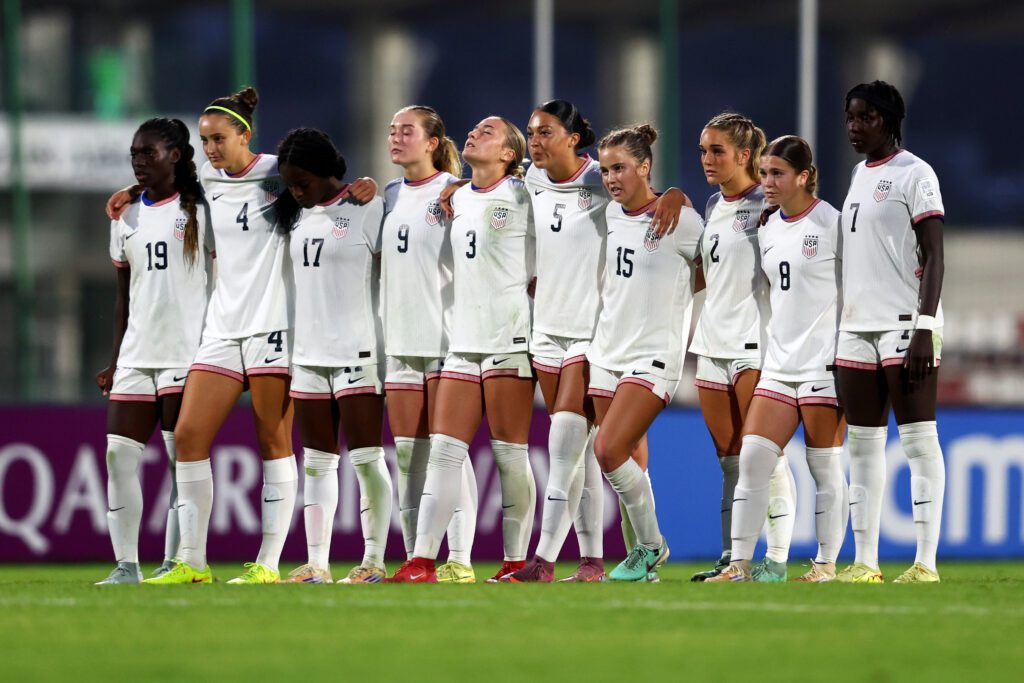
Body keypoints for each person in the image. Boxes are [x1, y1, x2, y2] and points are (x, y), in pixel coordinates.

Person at [103, 87, 375, 585]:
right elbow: (165, 180)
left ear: (244, 136)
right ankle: (193, 562)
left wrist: (366, 184)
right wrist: (127, 189)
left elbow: (324, 180)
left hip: (274, 324)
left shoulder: (278, 171)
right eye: (204, 140)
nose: (210, 149)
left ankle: (267, 564)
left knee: (272, 437)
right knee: (187, 437)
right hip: (222, 327)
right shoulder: (205, 178)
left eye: (219, 139)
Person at [504, 100, 689, 583]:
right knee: (586, 453)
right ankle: (593, 561)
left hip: (594, 334)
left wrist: (675, 192)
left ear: (571, 137)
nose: (535, 141)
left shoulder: (600, 183)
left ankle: (545, 560)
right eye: (530, 132)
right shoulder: (531, 182)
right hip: (545, 328)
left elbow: (666, 222)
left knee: (572, 441)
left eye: (545, 132)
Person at [387, 116, 536, 583]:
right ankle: (421, 561)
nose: (474, 133)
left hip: (509, 339)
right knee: (445, 453)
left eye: (488, 132)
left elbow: (578, 183)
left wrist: (668, 194)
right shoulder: (457, 195)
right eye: (474, 129)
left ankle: (515, 560)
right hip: (463, 340)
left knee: (509, 455)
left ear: (510, 154)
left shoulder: (527, 193)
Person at [707, 135, 848, 583]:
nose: (766, 182)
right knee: (752, 460)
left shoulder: (833, 225)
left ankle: (825, 564)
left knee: (823, 466)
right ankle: (740, 566)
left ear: (804, 177)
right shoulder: (766, 228)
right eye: (764, 173)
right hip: (780, 364)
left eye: (777, 174)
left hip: (824, 365)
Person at [271, 128, 394, 584]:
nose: (296, 190)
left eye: (303, 181)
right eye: (290, 184)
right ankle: (317, 563)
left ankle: (374, 561)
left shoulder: (369, 209)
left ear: (326, 171)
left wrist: (370, 185)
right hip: (307, 355)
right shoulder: (293, 214)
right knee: (317, 463)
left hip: (358, 349)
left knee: (365, 458)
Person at [835, 81, 946, 584]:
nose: (855, 127)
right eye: (850, 117)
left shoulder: (916, 173)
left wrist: (925, 325)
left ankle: (925, 562)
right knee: (862, 445)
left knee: (919, 441)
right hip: (857, 326)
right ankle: (867, 562)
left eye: (865, 118)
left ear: (888, 120)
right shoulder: (858, 174)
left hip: (905, 324)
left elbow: (936, 254)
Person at [95, 118, 212, 584]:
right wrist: (115, 358)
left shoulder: (202, 209)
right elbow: (124, 296)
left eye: (149, 154)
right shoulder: (125, 215)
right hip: (137, 356)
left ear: (176, 156)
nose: (140, 162)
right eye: (135, 156)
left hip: (186, 355)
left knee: (178, 462)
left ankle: (174, 562)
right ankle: (127, 565)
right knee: (117, 456)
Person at [587, 124, 704, 582]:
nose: (612, 178)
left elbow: (716, 269)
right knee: (629, 461)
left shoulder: (681, 219)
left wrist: (677, 194)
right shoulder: (608, 215)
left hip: (653, 354)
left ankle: (653, 547)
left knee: (607, 449)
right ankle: (644, 561)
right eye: (606, 170)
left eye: (620, 168)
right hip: (606, 351)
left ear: (644, 166)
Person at [687, 112, 798, 582]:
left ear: (745, 155)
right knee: (730, 457)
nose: (707, 159)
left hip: (756, 345)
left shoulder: (770, 207)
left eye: (717, 151)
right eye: (703, 150)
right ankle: (734, 558)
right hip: (711, 343)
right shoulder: (713, 206)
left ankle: (774, 560)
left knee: (764, 457)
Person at [381, 106, 479, 583]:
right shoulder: (389, 194)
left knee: (448, 454)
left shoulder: (459, 194)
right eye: (392, 131)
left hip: (446, 339)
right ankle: (415, 558)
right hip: (400, 340)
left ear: (434, 142)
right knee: (407, 456)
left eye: (407, 131)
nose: (397, 138)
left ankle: (458, 558)